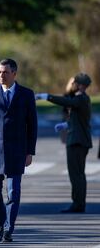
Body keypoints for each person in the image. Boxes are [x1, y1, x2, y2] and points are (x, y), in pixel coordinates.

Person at [0, 59, 37, 243]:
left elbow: (32, 125)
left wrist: (30, 151)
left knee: (13, 192)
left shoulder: (26, 94)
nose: (2, 75)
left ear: (14, 74)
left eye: (6, 72)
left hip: (17, 150)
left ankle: (9, 227)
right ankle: (3, 223)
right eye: (0, 72)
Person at [35, 73, 92, 213]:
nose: (73, 85)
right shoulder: (84, 99)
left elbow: (67, 102)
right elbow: (79, 120)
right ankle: (79, 203)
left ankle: (78, 204)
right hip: (80, 140)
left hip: (76, 141)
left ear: (80, 85)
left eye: (75, 83)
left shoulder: (80, 98)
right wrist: (66, 125)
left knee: (76, 174)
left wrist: (47, 97)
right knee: (79, 174)